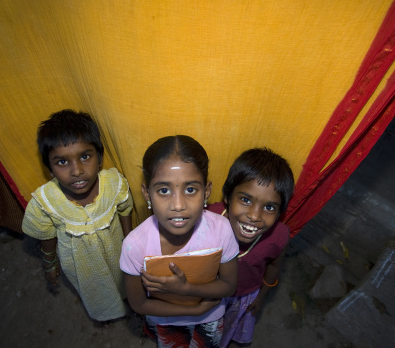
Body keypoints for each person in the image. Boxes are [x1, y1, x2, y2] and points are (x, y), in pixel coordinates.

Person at [120, 135, 239, 348]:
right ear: (147, 194)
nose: (178, 205)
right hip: (166, 321)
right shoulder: (134, 246)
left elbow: (229, 285)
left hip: (210, 318)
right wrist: (194, 310)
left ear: (207, 192)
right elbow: (139, 303)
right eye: (164, 190)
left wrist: (187, 289)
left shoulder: (221, 231)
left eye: (190, 189)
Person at [22, 109, 133, 328]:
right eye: (62, 162)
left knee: (124, 281)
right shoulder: (46, 201)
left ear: (99, 157)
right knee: (95, 291)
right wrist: (50, 264)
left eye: (85, 156)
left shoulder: (113, 183)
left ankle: (129, 303)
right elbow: (47, 236)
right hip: (82, 265)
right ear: (50, 168)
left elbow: (125, 209)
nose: (77, 171)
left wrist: (130, 243)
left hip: (116, 252)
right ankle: (103, 314)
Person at [206, 147, 294, 347]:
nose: (255, 216)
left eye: (269, 207)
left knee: (223, 331)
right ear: (227, 196)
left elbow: (274, 267)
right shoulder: (208, 218)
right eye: (245, 200)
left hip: (241, 297)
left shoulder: (278, 237)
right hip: (206, 290)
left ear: (280, 211)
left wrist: (262, 296)